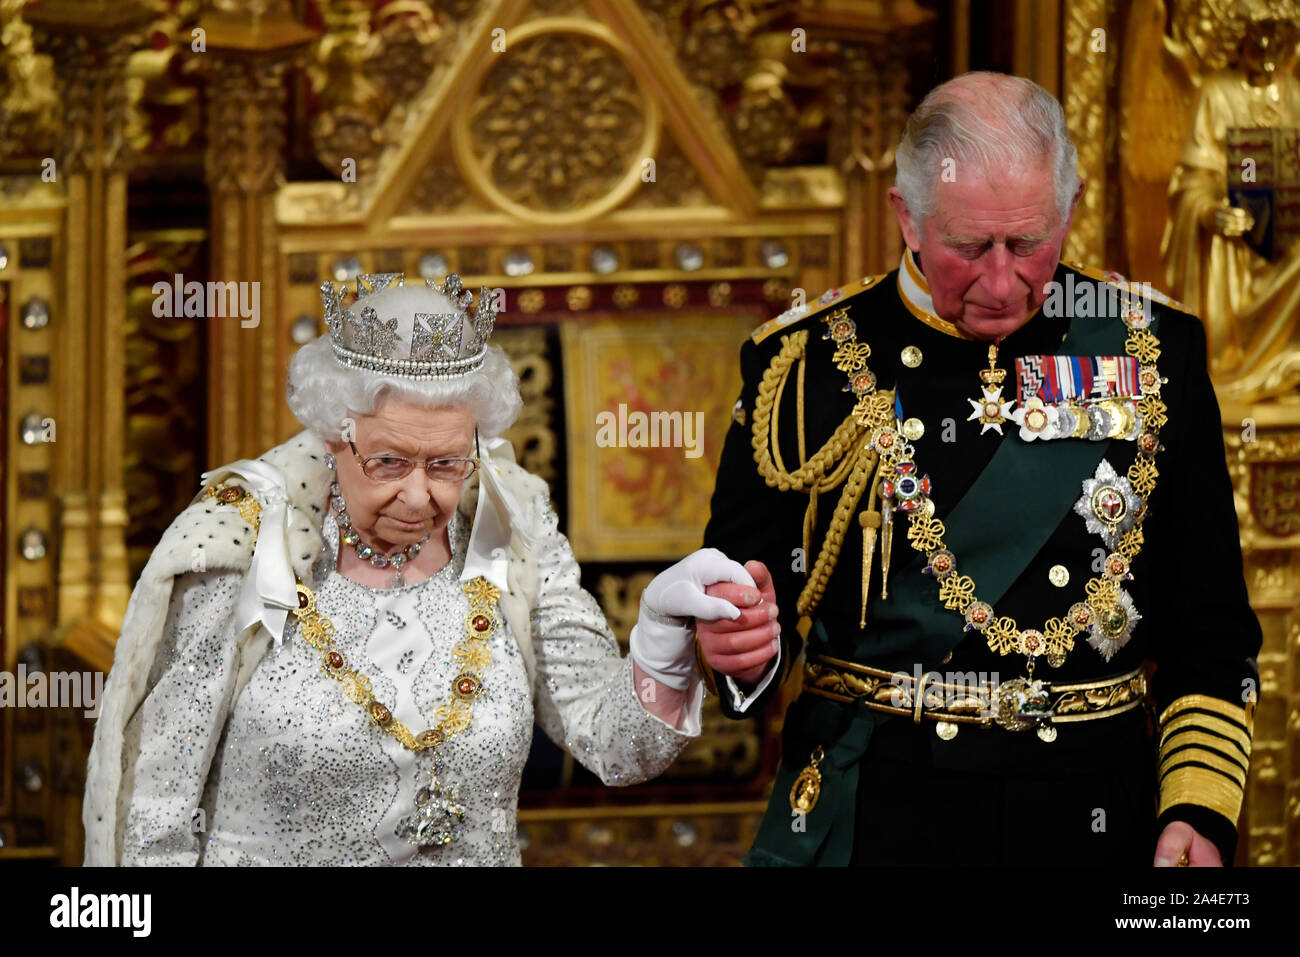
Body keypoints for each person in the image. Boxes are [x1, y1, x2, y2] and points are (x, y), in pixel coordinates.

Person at [698, 71, 1263, 867]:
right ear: (908, 215)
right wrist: (741, 648)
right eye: (969, 248)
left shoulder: (1152, 351)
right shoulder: (805, 363)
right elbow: (746, 603)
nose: (1002, 282)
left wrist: (1197, 813)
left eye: (1029, 244)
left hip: (1094, 812)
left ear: (1071, 210)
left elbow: (1211, 629)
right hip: (879, 810)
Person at [83, 272, 770, 866]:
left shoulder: (515, 527)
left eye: (446, 463)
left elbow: (619, 749)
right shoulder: (239, 540)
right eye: (388, 462)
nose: (421, 496)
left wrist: (661, 638)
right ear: (333, 434)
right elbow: (152, 807)